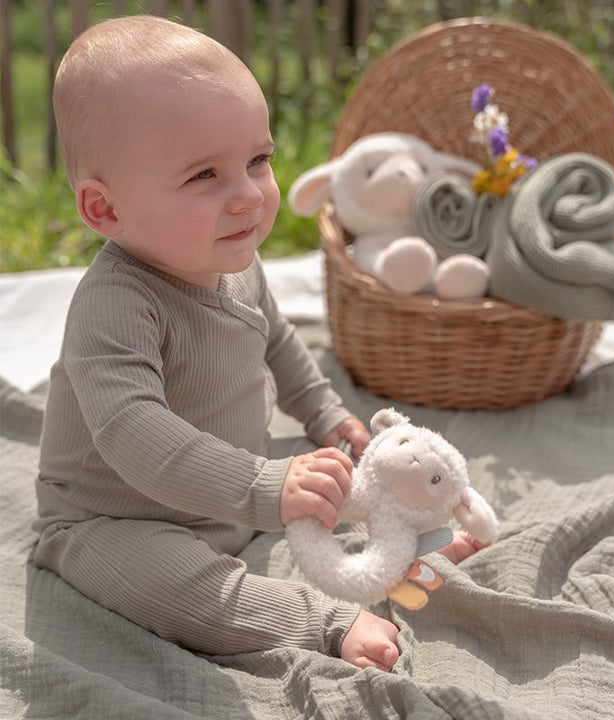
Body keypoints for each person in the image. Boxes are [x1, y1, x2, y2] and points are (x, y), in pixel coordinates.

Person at [33, 14, 480, 672]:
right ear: (105, 210)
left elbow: (276, 340)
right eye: (203, 177)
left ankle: (417, 539)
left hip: (240, 488)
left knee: (354, 473)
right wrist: (264, 486)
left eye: (257, 160)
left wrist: (327, 418)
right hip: (121, 519)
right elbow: (132, 431)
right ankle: (323, 619)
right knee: (174, 584)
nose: (248, 195)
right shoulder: (116, 303)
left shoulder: (235, 258)